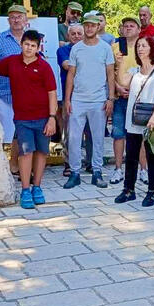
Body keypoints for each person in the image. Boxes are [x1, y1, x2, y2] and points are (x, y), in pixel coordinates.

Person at [0, 30, 57, 210]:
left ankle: (37, 187)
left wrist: (52, 118)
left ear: (38, 48)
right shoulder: (11, 62)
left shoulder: (44, 67)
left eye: (33, 45)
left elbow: (52, 94)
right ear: (21, 44)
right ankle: (25, 189)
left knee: (41, 152)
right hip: (22, 118)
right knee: (25, 152)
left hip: (43, 118)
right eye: (26, 44)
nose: (29, 48)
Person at [63, 13, 116, 189]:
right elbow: (71, 74)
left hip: (98, 99)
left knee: (98, 137)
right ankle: (75, 172)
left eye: (93, 25)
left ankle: (97, 172)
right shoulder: (76, 48)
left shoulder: (105, 48)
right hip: (78, 99)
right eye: (87, 25)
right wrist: (68, 99)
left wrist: (111, 98)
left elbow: (110, 74)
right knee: (74, 138)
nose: (90, 28)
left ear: (97, 27)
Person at [115, 36, 154, 206]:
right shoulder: (135, 71)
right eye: (138, 46)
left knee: (152, 155)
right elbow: (122, 82)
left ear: (152, 48)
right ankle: (128, 189)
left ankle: (152, 191)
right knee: (131, 155)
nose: (140, 49)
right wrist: (121, 62)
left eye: (144, 46)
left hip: (152, 119)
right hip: (134, 119)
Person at [0, 4, 28, 188]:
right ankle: (2, 167)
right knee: (4, 133)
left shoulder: (32, 39)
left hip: (26, 94)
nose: (16, 19)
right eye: (12, 17)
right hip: (3, 93)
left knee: (21, 132)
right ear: (8, 20)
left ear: (25, 19)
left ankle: (16, 165)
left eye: (19, 16)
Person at [110, 16, 141, 184]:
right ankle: (118, 169)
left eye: (132, 25)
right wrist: (117, 87)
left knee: (140, 135)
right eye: (125, 25)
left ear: (138, 29)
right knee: (118, 134)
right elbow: (108, 72)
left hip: (138, 99)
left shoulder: (143, 47)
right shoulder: (114, 47)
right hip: (120, 97)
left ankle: (142, 169)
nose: (128, 28)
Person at [57, 23, 89, 176]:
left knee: (89, 131)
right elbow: (67, 66)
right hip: (69, 97)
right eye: (73, 33)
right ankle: (69, 164)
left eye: (79, 33)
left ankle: (89, 162)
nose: (76, 36)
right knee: (69, 132)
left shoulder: (91, 48)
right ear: (68, 36)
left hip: (90, 96)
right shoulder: (63, 50)